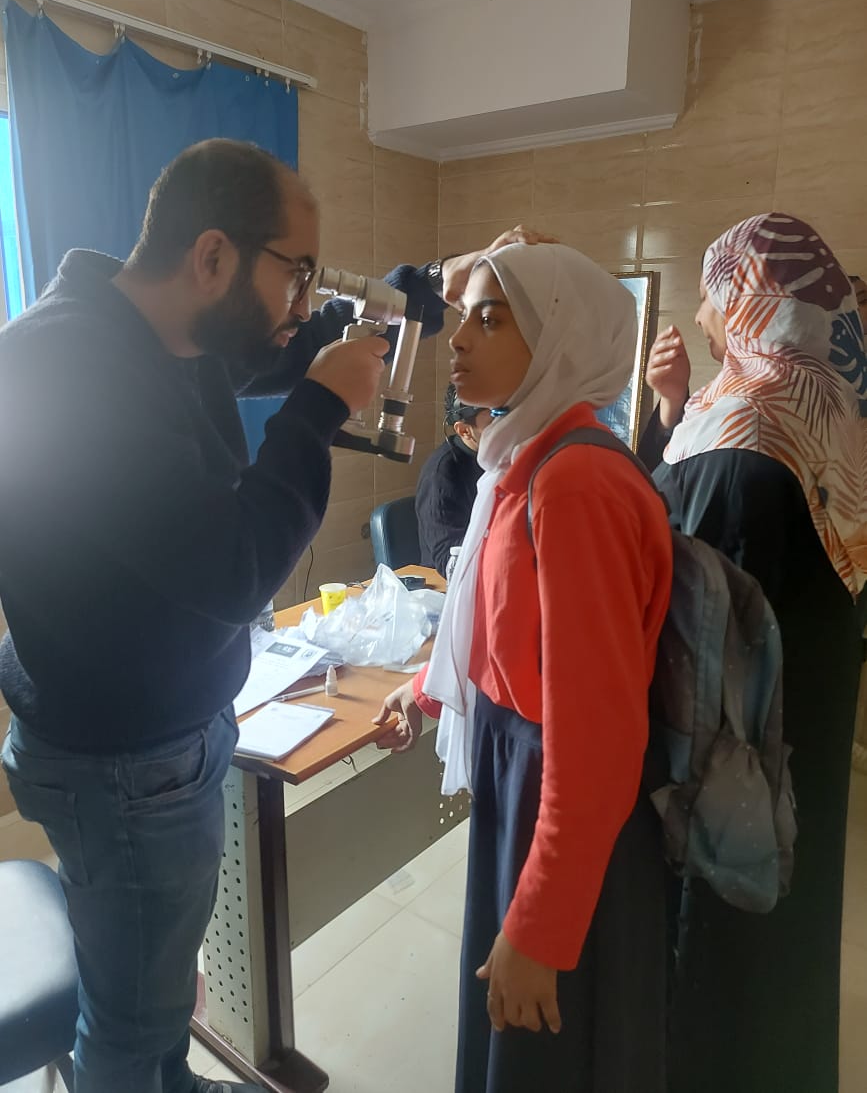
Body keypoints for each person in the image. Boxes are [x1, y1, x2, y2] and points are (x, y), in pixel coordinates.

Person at [0, 138, 528, 1093]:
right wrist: (318, 407)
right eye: (297, 273)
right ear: (212, 256)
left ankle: (168, 1077)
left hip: (163, 732)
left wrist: (409, 290)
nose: (303, 303)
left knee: (155, 983)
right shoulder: (66, 365)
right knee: (128, 1017)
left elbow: (276, 345)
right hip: (119, 760)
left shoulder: (163, 335)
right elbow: (235, 567)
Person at [375, 242, 674, 1092]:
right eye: (463, 315)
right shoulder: (523, 455)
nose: (459, 338)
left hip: (558, 789)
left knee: (546, 1041)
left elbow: (598, 732)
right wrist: (428, 690)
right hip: (521, 768)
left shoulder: (573, 480)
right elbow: (501, 623)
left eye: (492, 318)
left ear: (559, 340)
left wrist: (542, 925)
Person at [642, 213, 867, 1093]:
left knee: (722, 942)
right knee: (791, 915)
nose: (702, 315)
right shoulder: (832, 416)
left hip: (731, 758)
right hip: (805, 731)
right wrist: (673, 410)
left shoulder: (740, 436)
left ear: (747, 297)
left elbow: (673, 579)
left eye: (711, 294)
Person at [415, 383, 491, 577]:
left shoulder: (501, 459)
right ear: (464, 430)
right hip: (447, 584)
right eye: (494, 419)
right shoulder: (442, 474)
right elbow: (449, 560)